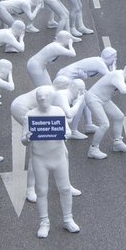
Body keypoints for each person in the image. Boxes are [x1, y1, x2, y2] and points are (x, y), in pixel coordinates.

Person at [24, 86, 80, 238]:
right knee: (41, 191)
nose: (42, 99)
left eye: (45, 96)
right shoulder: (30, 115)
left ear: (50, 97)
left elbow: (67, 131)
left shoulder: (58, 112)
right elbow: (24, 140)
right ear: (36, 99)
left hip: (58, 158)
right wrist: (27, 137)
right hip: (40, 159)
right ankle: (44, 222)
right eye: (39, 97)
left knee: (65, 189)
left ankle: (68, 218)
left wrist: (66, 134)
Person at [77, 62, 126, 160]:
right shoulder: (118, 75)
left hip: (103, 99)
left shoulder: (119, 75)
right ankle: (93, 149)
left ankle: (118, 142)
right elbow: (124, 90)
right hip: (94, 99)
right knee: (104, 124)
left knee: (119, 116)